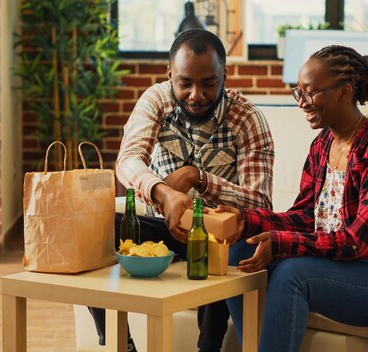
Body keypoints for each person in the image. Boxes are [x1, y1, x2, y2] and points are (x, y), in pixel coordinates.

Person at [220, 45, 368, 352]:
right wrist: (246, 220)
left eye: (310, 93)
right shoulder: (322, 144)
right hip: (334, 261)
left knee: (294, 274)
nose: (302, 103)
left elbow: (361, 242)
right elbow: (307, 217)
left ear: (344, 92)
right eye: (299, 92)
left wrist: (281, 243)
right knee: (240, 249)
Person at [88, 29, 275, 352]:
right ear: (169, 74)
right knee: (93, 227)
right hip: (162, 228)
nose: (196, 95)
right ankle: (121, 344)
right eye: (185, 83)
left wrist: (198, 178)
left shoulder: (247, 119)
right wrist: (163, 192)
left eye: (208, 83)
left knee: (228, 245)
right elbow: (128, 161)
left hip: (217, 234)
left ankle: (208, 347)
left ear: (224, 77)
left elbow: (260, 203)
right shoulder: (156, 100)